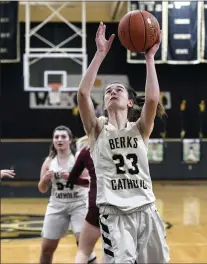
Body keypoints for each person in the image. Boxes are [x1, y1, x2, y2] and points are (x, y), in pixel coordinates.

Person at [76, 22, 170, 263]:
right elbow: (83, 94)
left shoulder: (139, 129)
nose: (113, 92)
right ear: (104, 102)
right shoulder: (97, 129)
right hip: (114, 214)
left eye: (119, 89)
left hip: (146, 208)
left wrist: (150, 58)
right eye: (108, 91)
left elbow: (151, 100)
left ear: (130, 102)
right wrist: (99, 54)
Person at [38, 125, 96, 264]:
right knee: (46, 248)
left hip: (79, 204)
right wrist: (45, 180)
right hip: (57, 205)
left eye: (63, 137)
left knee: (83, 245)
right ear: (53, 141)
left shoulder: (77, 158)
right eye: (56, 137)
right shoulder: (49, 162)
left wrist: (73, 178)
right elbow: (42, 189)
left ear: (70, 140)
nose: (59, 139)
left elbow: (90, 182)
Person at [68, 128, 106, 264]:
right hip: (116, 204)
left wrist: (88, 182)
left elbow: (71, 179)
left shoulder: (85, 151)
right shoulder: (117, 148)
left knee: (83, 251)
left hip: (95, 204)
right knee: (110, 252)